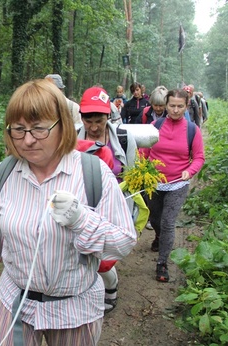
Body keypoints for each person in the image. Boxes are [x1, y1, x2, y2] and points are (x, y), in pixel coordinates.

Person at [0, 79, 137, 345]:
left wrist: (81, 220)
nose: (28, 140)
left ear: (62, 126)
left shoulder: (93, 173)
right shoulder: (3, 175)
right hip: (16, 303)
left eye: (39, 129)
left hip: (74, 310)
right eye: (18, 130)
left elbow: (123, 241)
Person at [76, 86, 137, 312]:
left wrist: (129, 215)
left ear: (108, 116)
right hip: (84, 207)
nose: (93, 127)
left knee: (104, 258)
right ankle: (84, 289)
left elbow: (132, 175)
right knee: (83, 252)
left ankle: (110, 288)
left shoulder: (123, 138)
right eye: (88, 120)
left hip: (113, 207)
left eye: (99, 121)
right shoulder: (71, 138)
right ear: (81, 117)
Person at [139, 89, 205, 282]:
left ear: (186, 107)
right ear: (166, 105)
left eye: (180, 106)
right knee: (156, 219)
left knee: (168, 222)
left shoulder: (193, 130)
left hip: (177, 183)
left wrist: (189, 171)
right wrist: (141, 171)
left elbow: (199, 157)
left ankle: (162, 263)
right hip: (153, 182)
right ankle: (159, 237)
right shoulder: (155, 126)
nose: (175, 110)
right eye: (172, 106)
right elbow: (144, 151)